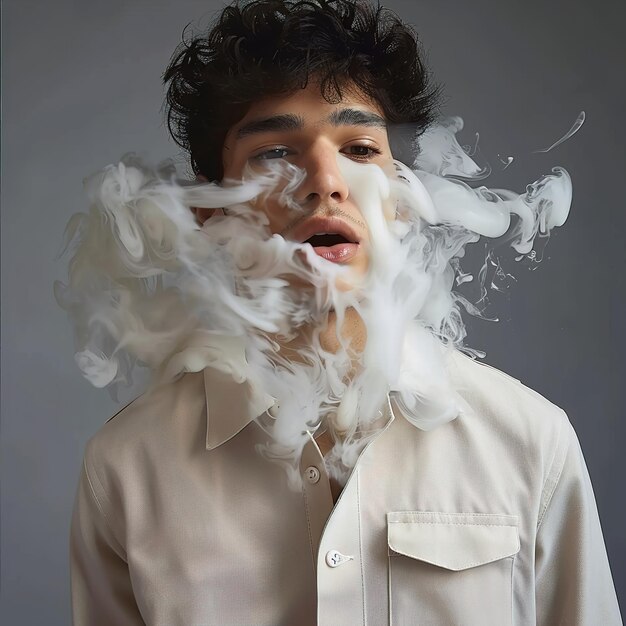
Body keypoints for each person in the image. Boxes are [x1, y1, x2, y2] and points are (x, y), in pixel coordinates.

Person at [68, 0, 622, 624]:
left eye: (359, 149)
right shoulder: (126, 468)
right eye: (274, 152)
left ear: (402, 199)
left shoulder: (529, 442)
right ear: (211, 212)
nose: (324, 181)